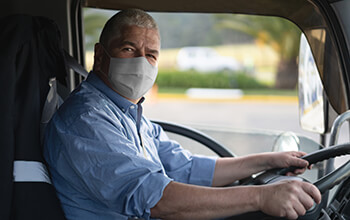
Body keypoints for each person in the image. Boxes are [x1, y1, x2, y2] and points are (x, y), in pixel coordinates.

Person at [44, 8, 321, 220]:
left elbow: (186, 168)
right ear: (101, 56)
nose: (142, 61)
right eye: (129, 49)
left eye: (151, 54)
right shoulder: (86, 119)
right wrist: (260, 197)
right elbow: (155, 198)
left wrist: (267, 160)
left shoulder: (129, 114)